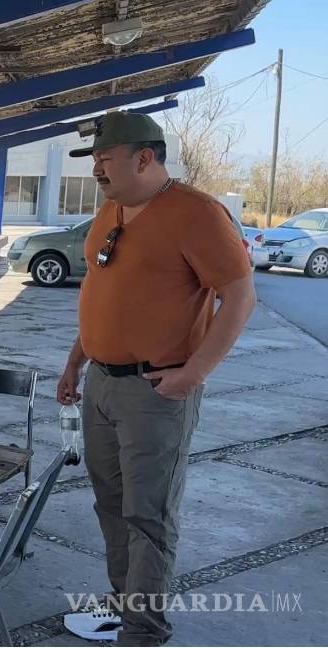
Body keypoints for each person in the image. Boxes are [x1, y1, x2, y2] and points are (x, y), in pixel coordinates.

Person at [56, 112, 255, 646]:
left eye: (105, 159)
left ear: (144, 158)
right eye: (95, 159)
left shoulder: (197, 214)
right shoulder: (110, 209)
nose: (96, 169)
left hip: (154, 391)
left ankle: (143, 630)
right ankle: (125, 601)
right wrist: (76, 361)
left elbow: (240, 296)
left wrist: (195, 372)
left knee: (148, 515)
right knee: (110, 503)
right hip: (101, 383)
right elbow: (101, 293)